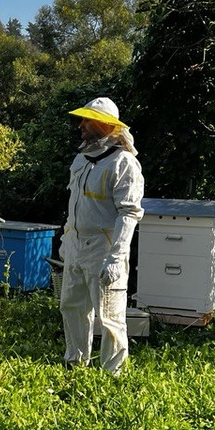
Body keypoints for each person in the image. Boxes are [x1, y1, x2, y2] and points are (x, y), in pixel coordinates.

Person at [59, 97, 144, 375]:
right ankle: (75, 363)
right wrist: (65, 239)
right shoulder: (81, 159)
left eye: (87, 120)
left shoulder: (124, 163)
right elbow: (75, 204)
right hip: (76, 246)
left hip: (104, 249)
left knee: (110, 317)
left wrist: (117, 257)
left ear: (106, 125)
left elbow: (129, 213)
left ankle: (112, 373)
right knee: (71, 307)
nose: (81, 125)